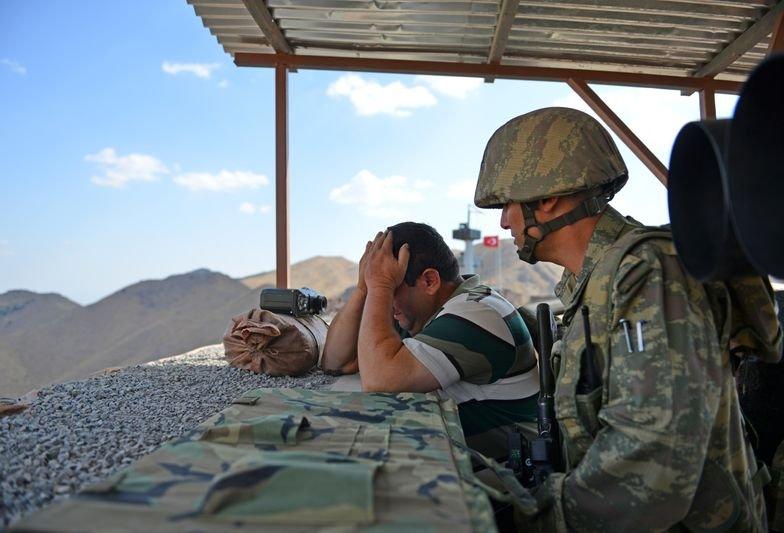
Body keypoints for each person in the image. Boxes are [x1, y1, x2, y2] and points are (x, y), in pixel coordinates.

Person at [473, 107, 780, 531]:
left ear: (546, 199)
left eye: (507, 203)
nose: (505, 219)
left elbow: (650, 469)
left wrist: (533, 515)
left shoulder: (648, 271)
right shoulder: (595, 283)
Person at [322, 221, 539, 460]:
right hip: (460, 454)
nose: (385, 302)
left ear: (429, 281)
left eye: (393, 288)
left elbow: (379, 385)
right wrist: (365, 288)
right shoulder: (423, 310)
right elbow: (336, 361)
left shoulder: (475, 312)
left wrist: (380, 286)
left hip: (502, 469)